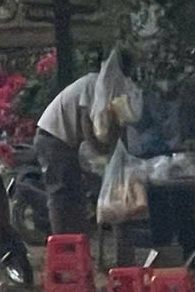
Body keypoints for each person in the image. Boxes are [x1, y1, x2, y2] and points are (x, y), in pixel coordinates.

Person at [28, 50, 135, 235]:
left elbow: (116, 124)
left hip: (67, 143)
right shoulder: (93, 84)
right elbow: (86, 122)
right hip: (53, 137)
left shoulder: (110, 90)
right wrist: (102, 151)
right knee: (60, 194)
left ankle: (77, 241)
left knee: (75, 195)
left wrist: (115, 149)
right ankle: (63, 243)